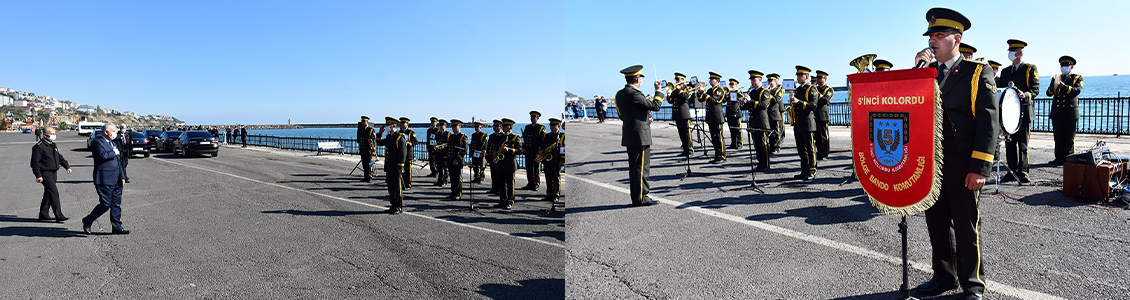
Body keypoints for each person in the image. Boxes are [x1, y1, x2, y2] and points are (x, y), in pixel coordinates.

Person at [912, 8, 997, 300]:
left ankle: (973, 284)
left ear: (956, 39)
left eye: (939, 35)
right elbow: (908, 109)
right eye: (930, 36)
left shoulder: (976, 73)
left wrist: (980, 168)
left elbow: (989, 124)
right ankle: (944, 277)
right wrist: (917, 72)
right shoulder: (926, 75)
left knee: (965, 226)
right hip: (932, 166)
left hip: (963, 165)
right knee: (937, 225)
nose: (932, 41)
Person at [615, 65, 664, 206]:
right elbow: (655, 106)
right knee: (642, 168)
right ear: (637, 79)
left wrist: (642, 119)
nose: (641, 80)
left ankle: (636, 197)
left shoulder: (620, 94)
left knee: (634, 168)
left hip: (630, 134)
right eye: (641, 77)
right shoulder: (635, 94)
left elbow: (622, 114)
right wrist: (658, 91)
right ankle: (642, 198)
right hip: (640, 136)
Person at [998, 39, 1038, 184]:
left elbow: (1035, 90)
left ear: (1020, 52)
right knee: (1010, 144)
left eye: (1013, 51)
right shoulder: (1005, 71)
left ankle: (1023, 171)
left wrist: (1025, 95)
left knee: (1022, 144)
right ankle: (1011, 170)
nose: (1010, 54)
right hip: (1009, 113)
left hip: (1024, 112)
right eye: (1009, 51)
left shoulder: (1030, 69)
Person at [82, 124, 131, 235]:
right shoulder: (97, 142)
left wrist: (123, 176)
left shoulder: (113, 143)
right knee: (105, 204)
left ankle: (117, 226)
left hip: (117, 178)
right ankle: (88, 220)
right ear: (106, 132)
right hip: (104, 179)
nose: (115, 133)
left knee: (116, 204)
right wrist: (114, 152)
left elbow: (119, 162)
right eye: (113, 131)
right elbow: (101, 155)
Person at [1047, 55, 1083, 165]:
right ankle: (1059, 157)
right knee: (1058, 137)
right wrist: (1054, 86)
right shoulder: (1056, 78)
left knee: (1069, 137)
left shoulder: (1077, 78)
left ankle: (1069, 157)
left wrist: (1065, 87)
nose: (1063, 67)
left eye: (1066, 65)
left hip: (1070, 112)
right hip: (1057, 112)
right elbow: (1048, 93)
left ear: (1071, 67)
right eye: (1062, 65)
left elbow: (1077, 90)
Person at [31, 127, 72, 222]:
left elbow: (58, 157)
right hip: (45, 173)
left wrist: (67, 166)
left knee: (48, 193)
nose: (54, 135)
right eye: (52, 133)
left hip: (53, 173)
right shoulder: (39, 147)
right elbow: (35, 163)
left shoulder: (52, 145)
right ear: (45, 135)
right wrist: (38, 175)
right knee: (54, 192)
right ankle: (59, 215)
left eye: (54, 133)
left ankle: (43, 214)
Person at [790, 65, 820, 180]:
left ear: (806, 76)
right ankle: (804, 170)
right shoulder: (798, 90)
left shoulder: (811, 89)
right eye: (797, 75)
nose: (797, 77)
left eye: (800, 75)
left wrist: (799, 102)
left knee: (810, 148)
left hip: (808, 123)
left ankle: (812, 170)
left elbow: (813, 106)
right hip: (798, 123)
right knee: (801, 149)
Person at [375, 117, 408, 214]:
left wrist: (401, 167)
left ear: (394, 126)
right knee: (391, 187)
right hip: (389, 166)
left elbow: (402, 153)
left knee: (397, 188)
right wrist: (380, 133)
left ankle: (398, 207)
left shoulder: (399, 137)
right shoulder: (390, 136)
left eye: (388, 126)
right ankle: (393, 205)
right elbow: (379, 143)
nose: (386, 128)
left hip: (396, 167)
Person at [742, 70, 772, 171]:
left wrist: (750, 101)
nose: (752, 82)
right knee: (757, 144)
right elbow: (749, 106)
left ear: (760, 80)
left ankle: (766, 164)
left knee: (763, 144)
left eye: (754, 80)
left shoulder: (764, 92)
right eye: (751, 80)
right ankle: (760, 162)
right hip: (753, 122)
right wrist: (742, 103)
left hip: (761, 122)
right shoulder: (752, 92)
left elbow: (763, 105)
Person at [698, 71, 726, 163]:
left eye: (712, 79)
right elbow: (701, 99)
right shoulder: (710, 90)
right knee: (714, 138)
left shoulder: (719, 90)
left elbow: (713, 100)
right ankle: (717, 155)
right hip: (710, 117)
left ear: (717, 80)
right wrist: (699, 92)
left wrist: (703, 92)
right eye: (710, 79)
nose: (710, 80)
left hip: (717, 117)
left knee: (719, 138)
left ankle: (721, 156)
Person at [494, 118, 522, 209]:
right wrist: (494, 152)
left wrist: (509, 150)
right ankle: (503, 200)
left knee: (510, 184)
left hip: (510, 164)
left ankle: (510, 201)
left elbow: (520, 150)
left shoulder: (515, 137)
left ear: (510, 127)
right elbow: (496, 147)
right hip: (500, 163)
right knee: (501, 183)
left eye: (505, 126)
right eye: (503, 126)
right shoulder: (500, 137)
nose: (503, 127)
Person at [669, 73, 694, 156]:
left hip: (684, 113)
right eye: (676, 79)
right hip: (677, 113)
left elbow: (686, 96)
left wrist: (679, 90)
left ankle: (690, 150)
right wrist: (669, 94)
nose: (676, 81)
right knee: (681, 133)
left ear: (683, 80)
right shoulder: (675, 90)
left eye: (678, 79)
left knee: (687, 133)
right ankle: (685, 149)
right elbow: (670, 101)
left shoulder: (688, 88)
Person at [541, 118, 565, 202]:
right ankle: (549, 194)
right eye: (550, 125)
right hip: (548, 160)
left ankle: (556, 194)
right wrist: (542, 152)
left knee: (556, 178)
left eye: (553, 125)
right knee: (548, 177)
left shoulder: (562, 136)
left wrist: (562, 160)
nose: (551, 127)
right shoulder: (547, 136)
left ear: (558, 126)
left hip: (556, 160)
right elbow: (543, 146)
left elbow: (563, 149)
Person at [521, 111, 546, 191]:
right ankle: (530, 183)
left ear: (537, 118)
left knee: (536, 168)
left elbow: (542, 140)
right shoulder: (527, 127)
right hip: (528, 151)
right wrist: (523, 147)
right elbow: (523, 138)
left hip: (536, 151)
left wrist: (540, 150)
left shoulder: (541, 127)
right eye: (531, 117)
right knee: (528, 168)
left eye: (534, 117)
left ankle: (536, 183)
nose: (532, 119)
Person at [445, 119, 468, 200]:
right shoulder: (451, 136)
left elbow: (464, 150)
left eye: (455, 126)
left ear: (460, 127)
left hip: (457, 161)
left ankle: (458, 193)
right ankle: (453, 192)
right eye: (452, 126)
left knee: (458, 178)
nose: (453, 128)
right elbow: (448, 148)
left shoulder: (463, 137)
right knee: (452, 177)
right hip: (451, 160)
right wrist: (446, 159)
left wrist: (457, 159)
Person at [814, 70, 834, 161]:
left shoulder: (828, 89)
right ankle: (819, 152)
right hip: (815, 114)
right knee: (817, 135)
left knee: (823, 135)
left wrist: (817, 94)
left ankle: (825, 153)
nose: (817, 79)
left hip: (822, 114)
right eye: (817, 78)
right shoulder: (815, 88)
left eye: (819, 78)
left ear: (825, 79)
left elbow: (825, 100)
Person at [766, 73, 785, 153]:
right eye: (769, 80)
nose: (770, 82)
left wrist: (767, 94)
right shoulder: (768, 90)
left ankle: (777, 147)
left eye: (771, 81)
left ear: (776, 81)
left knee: (776, 131)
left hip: (775, 112)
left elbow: (776, 99)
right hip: (768, 112)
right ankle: (771, 146)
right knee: (770, 131)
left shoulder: (779, 89)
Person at [723, 78, 744, 150]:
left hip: (736, 112)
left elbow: (739, 99)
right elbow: (724, 100)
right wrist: (726, 94)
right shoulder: (728, 93)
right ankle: (733, 143)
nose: (731, 86)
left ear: (736, 85)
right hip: (729, 112)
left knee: (738, 129)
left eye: (732, 84)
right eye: (730, 84)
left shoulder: (739, 92)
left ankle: (739, 143)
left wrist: (733, 92)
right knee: (731, 129)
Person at [485, 119, 503, 195]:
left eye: (496, 126)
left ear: (500, 127)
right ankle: (494, 187)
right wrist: (487, 156)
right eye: (494, 126)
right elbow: (489, 147)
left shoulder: (502, 136)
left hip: (498, 158)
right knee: (493, 174)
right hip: (492, 157)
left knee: (499, 175)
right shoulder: (492, 136)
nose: (494, 127)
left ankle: (499, 188)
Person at [398, 117, 417, 189]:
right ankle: (402, 183)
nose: (402, 125)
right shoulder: (399, 132)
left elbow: (415, 141)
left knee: (408, 170)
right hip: (401, 153)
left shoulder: (411, 132)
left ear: (407, 124)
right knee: (401, 169)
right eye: (401, 123)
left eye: (403, 123)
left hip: (408, 153)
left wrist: (409, 144)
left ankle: (408, 184)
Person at [357, 116, 376, 183]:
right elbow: (360, 139)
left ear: (367, 122)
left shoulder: (370, 129)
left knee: (369, 164)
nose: (362, 122)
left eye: (364, 121)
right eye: (362, 121)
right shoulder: (361, 129)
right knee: (364, 164)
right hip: (363, 150)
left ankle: (370, 177)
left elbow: (373, 140)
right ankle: (365, 177)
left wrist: (373, 150)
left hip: (369, 150)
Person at [433, 119, 451, 186]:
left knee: (445, 168)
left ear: (445, 126)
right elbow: (435, 144)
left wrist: (445, 147)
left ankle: (445, 181)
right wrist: (434, 153)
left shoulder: (448, 134)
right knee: (439, 168)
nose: (441, 126)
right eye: (440, 125)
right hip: (438, 153)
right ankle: (440, 180)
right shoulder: (437, 134)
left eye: (442, 125)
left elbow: (449, 144)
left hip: (444, 153)